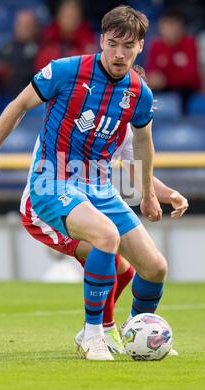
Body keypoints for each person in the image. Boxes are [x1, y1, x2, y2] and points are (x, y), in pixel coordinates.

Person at [0, 5, 174, 361]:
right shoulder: (66, 71)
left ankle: (133, 334)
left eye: (128, 46)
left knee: (154, 267)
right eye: (112, 43)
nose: (118, 53)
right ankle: (93, 336)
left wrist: (147, 194)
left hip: (99, 187)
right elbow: (19, 105)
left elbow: (142, 144)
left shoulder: (138, 92)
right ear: (101, 39)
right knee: (106, 237)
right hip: (52, 180)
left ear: (141, 46)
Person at [20, 122, 188, 354]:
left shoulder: (125, 128)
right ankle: (98, 332)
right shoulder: (75, 107)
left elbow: (138, 174)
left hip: (93, 200)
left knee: (146, 267)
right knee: (113, 258)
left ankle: (135, 332)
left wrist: (171, 194)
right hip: (47, 204)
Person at [146, 9, 202, 113]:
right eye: (167, 26)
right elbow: (152, 71)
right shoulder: (156, 45)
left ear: (182, 27)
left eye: (174, 26)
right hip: (163, 89)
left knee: (182, 92)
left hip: (186, 91)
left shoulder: (190, 43)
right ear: (160, 27)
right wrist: (153, 79)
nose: (171, 30)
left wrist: (166, 79)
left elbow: (190, 76)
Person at [35, 0, 97, 71]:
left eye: (74, 17)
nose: (71, 21)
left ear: (80, 19)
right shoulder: (46, 41)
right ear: (58, 17)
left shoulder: (89, 47)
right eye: (67, 17)